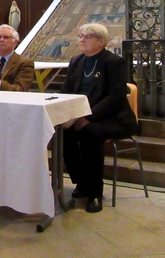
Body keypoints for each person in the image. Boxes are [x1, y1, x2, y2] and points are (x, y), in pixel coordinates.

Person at [60, 23, 137, 213]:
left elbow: (115, 97)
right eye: (80, 36)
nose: (82, 39)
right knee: (61, 132)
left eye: (88, 36)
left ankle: (94, 192)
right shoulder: (77, 61)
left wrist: (88, 116)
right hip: (81, 115)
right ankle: (81, 182)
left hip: (113, 118)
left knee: (89, 133)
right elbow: (66, 91)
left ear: (102, 42)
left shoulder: (113, 62)